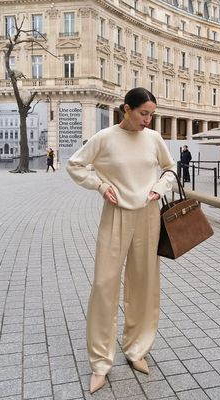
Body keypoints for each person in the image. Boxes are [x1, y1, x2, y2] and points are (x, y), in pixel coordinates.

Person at [66, 87, 175, 394]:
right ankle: (100, 363)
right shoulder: (105, 138)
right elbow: (75, 165)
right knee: (104, 285)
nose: (148, 120)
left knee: (144, 284)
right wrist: (100, 185)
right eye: (144, 113)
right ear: (127, 109)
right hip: (115, 214)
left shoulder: (153, 139)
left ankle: (137, 349)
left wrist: (159, 188)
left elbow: (169, 169)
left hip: (148, 215)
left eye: (152, 114)